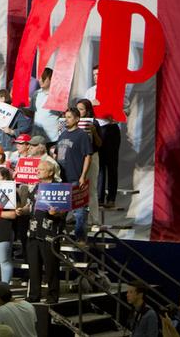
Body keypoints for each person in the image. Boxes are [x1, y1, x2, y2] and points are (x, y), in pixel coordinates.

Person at [24, 160, 66, 304]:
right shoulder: (36, 187)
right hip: (33, 232)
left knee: (51, 267)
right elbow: (29, 206)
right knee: (34, 266)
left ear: (50, 172)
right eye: (37, 169)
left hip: (50, 234)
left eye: (41, 170)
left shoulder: (59, 188)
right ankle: (34, 295)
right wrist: (21, 210)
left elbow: (64, 211)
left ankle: (52, 296)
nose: (37, 171)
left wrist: (56, 213)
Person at [84, 65, 125, 209]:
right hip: (96, 129)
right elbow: (83, 110)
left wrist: (116, 115)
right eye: (94, 74)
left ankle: (111, 198)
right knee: (98, 165)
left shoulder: (113, 89)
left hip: (110, 128)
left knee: (111, 165)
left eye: (99, 74)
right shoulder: (90, 92)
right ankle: (99, 198)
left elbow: (126, 107)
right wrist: (91, 105)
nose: (96, 77)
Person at [57, 108, 97, 233]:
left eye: (69, 117)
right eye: (65, 117)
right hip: (62, 178)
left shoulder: (82, 135)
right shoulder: (62, 134)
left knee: (79, 211)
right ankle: (61, 234)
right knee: (60, 210)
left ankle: (80, 237)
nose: (66, 120)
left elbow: (88, 156)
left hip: (75, 177)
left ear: (77, 119)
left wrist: (83, 176)